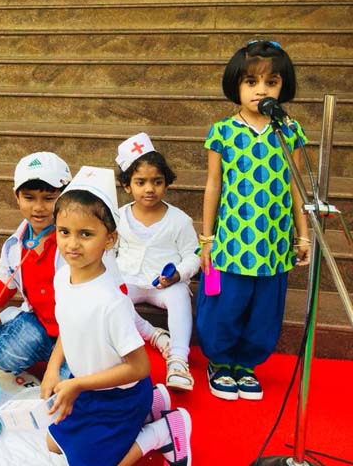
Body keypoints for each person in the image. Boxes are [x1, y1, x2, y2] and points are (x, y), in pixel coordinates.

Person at [42, 166, 193, 466]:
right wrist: (52, 367)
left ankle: (162, 431)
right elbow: (68, 328)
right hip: (86, 388)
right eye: (64, 232)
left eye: (86, 234)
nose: (72, 244)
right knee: (53, 444)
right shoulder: (61, 278)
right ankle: (154, 403)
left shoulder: (111, 302)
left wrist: (78, 385)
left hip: (118, 397)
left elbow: (139, 367)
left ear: (109, 239)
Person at [197, 39, 310, 401]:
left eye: (271, 82)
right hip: (233, 241)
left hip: (274, 242)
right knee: (226, 305)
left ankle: (246, 365)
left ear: (282, 87)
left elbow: (296, 185)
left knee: (264, 311)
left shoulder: (288, 130)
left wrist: (303, 234)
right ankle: (220, 362)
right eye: (251, 81)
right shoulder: (223, 131)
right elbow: (214, 185)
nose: (261, 90)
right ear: (237, 85)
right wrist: (207, 238)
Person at [0, 152, 72, 375]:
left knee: (73, 387)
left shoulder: (74, 241)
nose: (38, 207)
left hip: (76, 330)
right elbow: (3, 282)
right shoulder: (16, 243)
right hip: (40, 322)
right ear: (16, 197)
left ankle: (61, 362)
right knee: (1, 352)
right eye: (29, 198)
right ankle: (49, 353)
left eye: (49, 198)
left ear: (66, 197)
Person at [115, 133, 200, 391]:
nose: (149, 189)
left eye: (157, 181)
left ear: (166, 183)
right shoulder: (118, 217)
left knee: (179, 296)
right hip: (128, 278)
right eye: (140, 182)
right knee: (111, 297)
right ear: (127, 186)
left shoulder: (179, 220)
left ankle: (178, 359)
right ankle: (153, 335)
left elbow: (193, 254)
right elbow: (109, 250)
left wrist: (179, 274)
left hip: (165, 285)